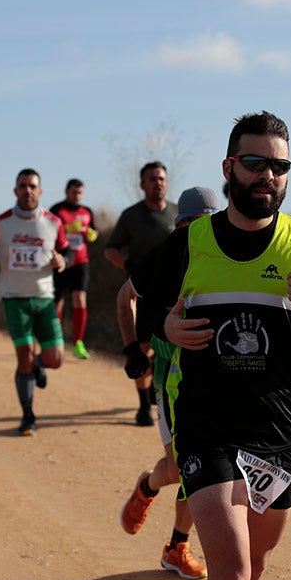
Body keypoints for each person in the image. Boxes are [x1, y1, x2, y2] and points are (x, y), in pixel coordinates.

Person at [136, 111, 291, 580]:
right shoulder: (189, 244)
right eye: (256, 163)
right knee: (233, 572)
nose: (268, 176)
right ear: (229, 167)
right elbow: (142, 299)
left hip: (278, 433)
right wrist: (166, 328)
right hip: (205, 426)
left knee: (256, 565)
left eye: (279, 167)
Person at [119, 186, 222, 580]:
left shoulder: (228, 258)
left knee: (206, 468)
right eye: (190, 225)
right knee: (180, 469)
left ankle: (177, 547)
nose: (199, 233)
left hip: (216, 379)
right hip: (171, 377)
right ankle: (147, 485)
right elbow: (123, 296)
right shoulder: (163, 258)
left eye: (208, 224)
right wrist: (132, 349)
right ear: (179, 225)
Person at [0, 168, 72, 436]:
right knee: (24, 357)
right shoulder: (1, 223)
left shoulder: (53, 222)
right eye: (23, 186)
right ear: (15, 190)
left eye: (32, 186)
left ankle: (37, 366)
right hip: (14, 298)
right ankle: (28, 416)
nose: (27, 190)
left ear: (40, 192)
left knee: (56, 359)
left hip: (44, 298)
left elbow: (67, 252)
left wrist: (64, 261)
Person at [104, 161, 178, 427]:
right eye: (151, 179)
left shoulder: (177, 213)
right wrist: (126, 264)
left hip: (175, 295)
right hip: (140, 293)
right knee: (142, 350)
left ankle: (166, 398)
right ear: (142, 184)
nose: (157, 183)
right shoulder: (131, 216)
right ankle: (143, 404)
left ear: (166, 182)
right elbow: (110, 249)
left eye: (161, 178)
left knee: (172, 349)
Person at [49, 178, 99, 360]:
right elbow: (48, 233)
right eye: (74, 192)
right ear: (66, 191)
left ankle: (78, 342)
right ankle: (56, 339)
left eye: (80, 193)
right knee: (58, 303)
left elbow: (93, 231)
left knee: (80, 299)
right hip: (61, 262)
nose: (77, 196)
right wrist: (67, 228)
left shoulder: (87, 211)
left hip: (81, 262)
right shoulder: (57, 210)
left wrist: (92, 234)